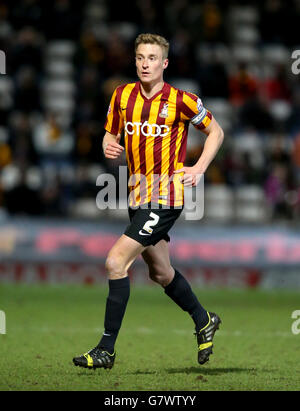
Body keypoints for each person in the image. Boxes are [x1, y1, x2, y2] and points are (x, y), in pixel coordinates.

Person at [73, 33, 224, 370]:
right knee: (160, 272)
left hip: (167, 197)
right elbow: (110, 134)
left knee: (115, 262)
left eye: (152, 58)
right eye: (140, 57)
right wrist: (107, 144)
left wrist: (198, 168)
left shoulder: (182, 101)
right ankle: (204, 320)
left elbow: (217, 132)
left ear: (164, 63)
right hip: (137, 195)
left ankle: (106, 350)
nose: (145, 63)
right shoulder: (122, 95)